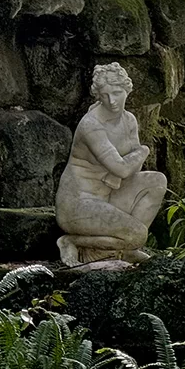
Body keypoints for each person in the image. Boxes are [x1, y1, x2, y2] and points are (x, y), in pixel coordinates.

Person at [55, 62, 167, 265]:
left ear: (127, 90)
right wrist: (144, 151)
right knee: (137, 234)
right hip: (79, 204)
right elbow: (123, 168)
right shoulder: (91, 125)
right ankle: (72, 241)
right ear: (98, 96)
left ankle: (124, 249)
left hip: (108, 195)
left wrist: (129, 163)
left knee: (157, 181)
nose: (112, 101)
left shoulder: (129, 120)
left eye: (117, 93)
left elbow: (133, 170)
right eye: (105, 95)